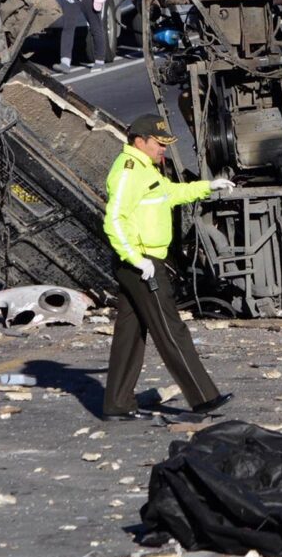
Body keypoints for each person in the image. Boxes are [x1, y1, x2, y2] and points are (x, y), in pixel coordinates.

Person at [101, 113, 236, 422]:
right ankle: (203, 397)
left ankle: (117, 403)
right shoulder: (128, 171)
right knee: (170, 328)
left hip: (143, 262)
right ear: (139, 142)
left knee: (130, 334)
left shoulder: (146, 168)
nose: (163, 149)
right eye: (158, 143)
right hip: (143, 264)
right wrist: (136, 259)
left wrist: (207, 187)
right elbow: (114, 220)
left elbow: (170, 194)